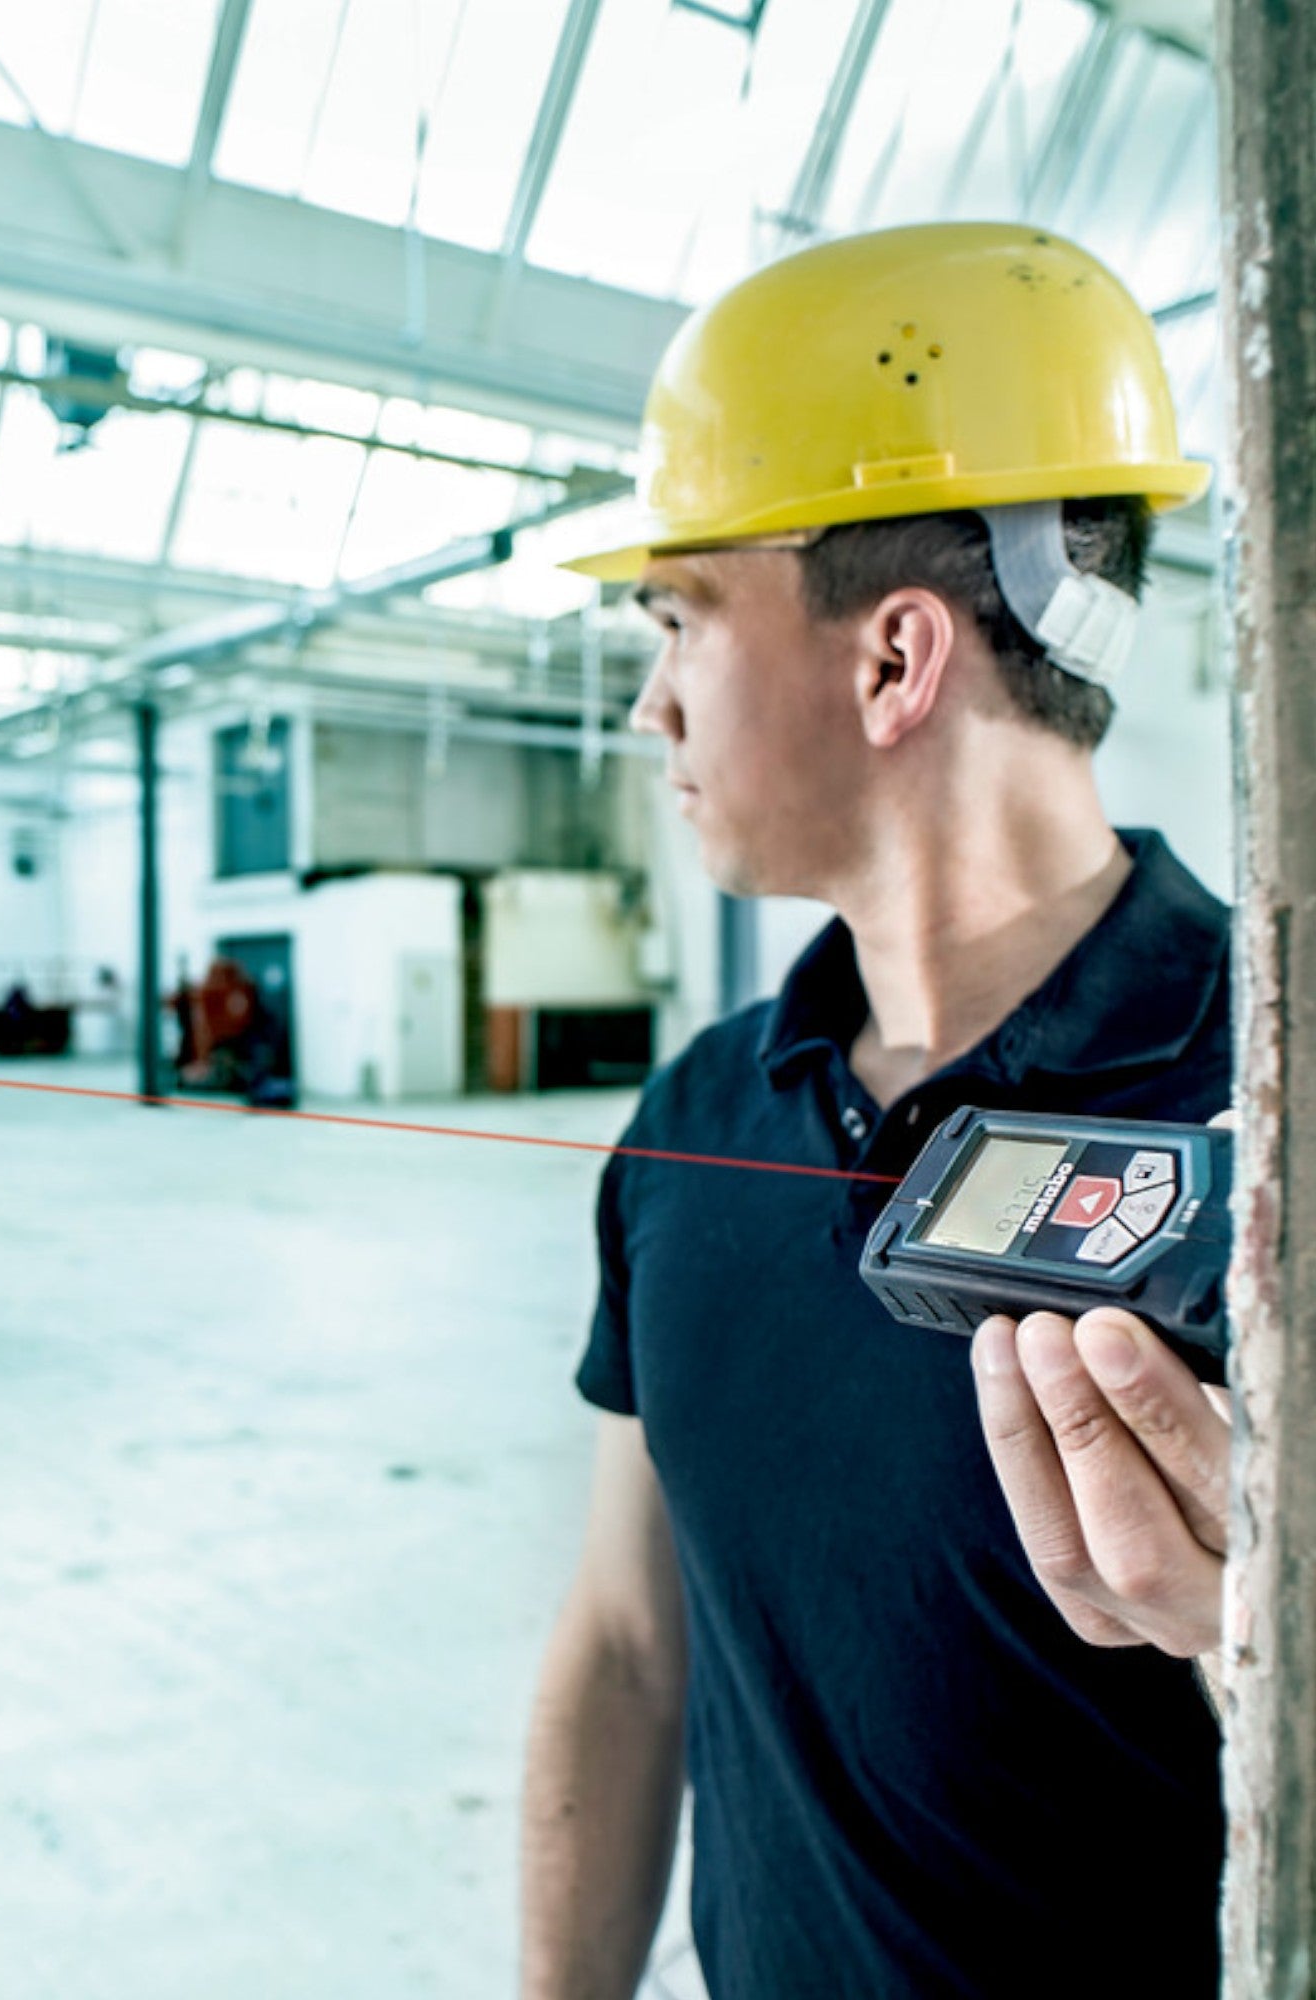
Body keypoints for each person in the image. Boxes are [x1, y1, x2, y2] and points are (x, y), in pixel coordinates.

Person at [520, 223, 1232, 2000]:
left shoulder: (1267, 1115)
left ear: (896, 659)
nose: (651, 703)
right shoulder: (695, 1113)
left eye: (679, 617)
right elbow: (629, 1645)